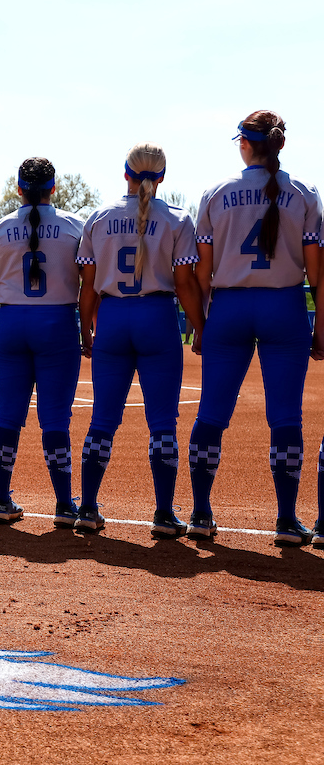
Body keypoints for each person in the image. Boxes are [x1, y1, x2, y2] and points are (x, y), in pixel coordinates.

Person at [191, 111, 321, 546]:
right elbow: (317, 272)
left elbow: (202, 272)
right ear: (279, 146)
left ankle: (201, 514)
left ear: (245, 145)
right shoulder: (303, 193)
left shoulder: (217, 192)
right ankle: (286, 520)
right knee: (285, 416)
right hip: (284, 305)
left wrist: (201, 323)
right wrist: (320, 324)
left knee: (211, 413)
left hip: (228, 306)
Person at [76, 144, 205, 537]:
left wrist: (85, 328)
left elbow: (88, 287)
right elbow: (184, 283)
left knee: (102, 418)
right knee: (163, 422)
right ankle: (164, 515)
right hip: (157, 317)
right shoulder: (178, 219)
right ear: (162, 177)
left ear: (125, 173)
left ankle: (86, 508)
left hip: (113, 318)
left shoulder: (99, 217)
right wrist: (201, 326)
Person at [0, 158, 84, 524]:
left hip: (10, 323)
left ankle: (1, 500)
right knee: (55, 417)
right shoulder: (75, 227)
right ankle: (64, 505)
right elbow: (89, 286)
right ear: (53, 188)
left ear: (18, 188)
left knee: (7, 415)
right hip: (57, 323)